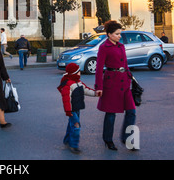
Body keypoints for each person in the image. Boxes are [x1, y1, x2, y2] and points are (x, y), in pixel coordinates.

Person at [95, 20, 137, 151]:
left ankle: (127, 138)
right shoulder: (103, 47)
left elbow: (125, 64)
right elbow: (99, 68)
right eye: (117, 34)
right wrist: (99, 87)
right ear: (109, 34)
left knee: (132, 112)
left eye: (120, 33)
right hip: (111, 83)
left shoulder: (121, 46)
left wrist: (131, 78)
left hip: (124, 82)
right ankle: (108, 140)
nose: (120, 36)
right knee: (111, 114)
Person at [58, 63, 97, 154]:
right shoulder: (68, 84)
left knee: (71, 124)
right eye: (78, 71)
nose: (80, 72)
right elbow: (66, 99)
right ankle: (74, 145)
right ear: (75, 73)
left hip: (77, 108)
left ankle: (67, 140)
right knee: (76, 126)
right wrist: (68, 110)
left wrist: (95, 94)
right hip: (71, 109)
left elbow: (86, 90)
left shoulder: (78, 82)